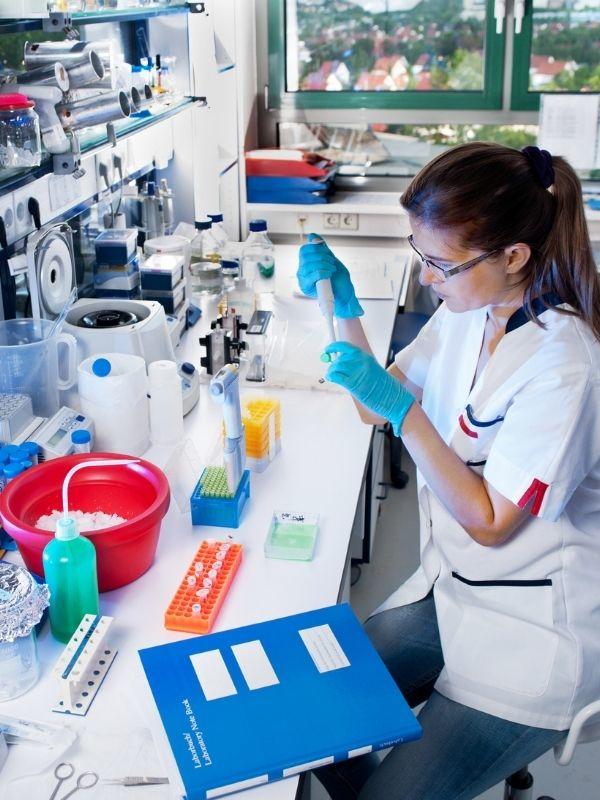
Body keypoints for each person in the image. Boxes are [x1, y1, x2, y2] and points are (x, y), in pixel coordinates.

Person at [296, 142, 600, 800]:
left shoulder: (565, 366)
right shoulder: (469, 310)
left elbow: (491, 521)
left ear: (514, 255)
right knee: (308, 719)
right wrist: (339, 305)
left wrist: (406, 414)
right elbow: (372, 404)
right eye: (421, 257)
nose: (428, 278)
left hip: (530, 632)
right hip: (455, 588)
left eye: (441, 264)